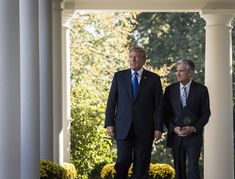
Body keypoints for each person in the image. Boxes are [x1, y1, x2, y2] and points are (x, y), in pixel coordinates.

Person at [104, 47, 163, 179]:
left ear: (144, 59)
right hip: (123, 127)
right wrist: (109, 123)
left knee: (142, 165)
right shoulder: (119, 76)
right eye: (131, 56)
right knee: (123, 160)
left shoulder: (154, 79)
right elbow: (111, 102)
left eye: (136, 57)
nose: (133, 59)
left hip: (145, 129)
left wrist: (159, 127)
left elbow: (159, 106)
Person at [164, 59, 211, 179]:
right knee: (179, 171)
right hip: (176, 136)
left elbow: (206, 113)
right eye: (177, 71)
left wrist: (194, 128)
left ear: (190, 73)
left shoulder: (201, 90)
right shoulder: (170, 90)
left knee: (193, 170)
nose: (178, 74)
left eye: (181, 71)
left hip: (193, 137)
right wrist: (174, 129)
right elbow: (165, 114)